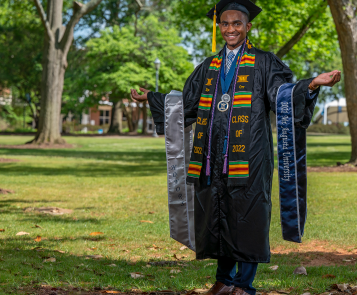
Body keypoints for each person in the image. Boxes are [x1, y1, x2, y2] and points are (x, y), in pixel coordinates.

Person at [131, 1, 341, 294]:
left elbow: (281, 95)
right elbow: (187, 104)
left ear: (248, 27)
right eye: (226, 24)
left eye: (237, 24)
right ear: (219, 27)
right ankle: (224, 279)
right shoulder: (208, 67)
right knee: (218, 212)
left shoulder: (265, 62)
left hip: (250, 154)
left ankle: (243, 283)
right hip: (211, 155)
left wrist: (310, 86)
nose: (231, 29)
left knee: (248, 214)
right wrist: (152, 98)